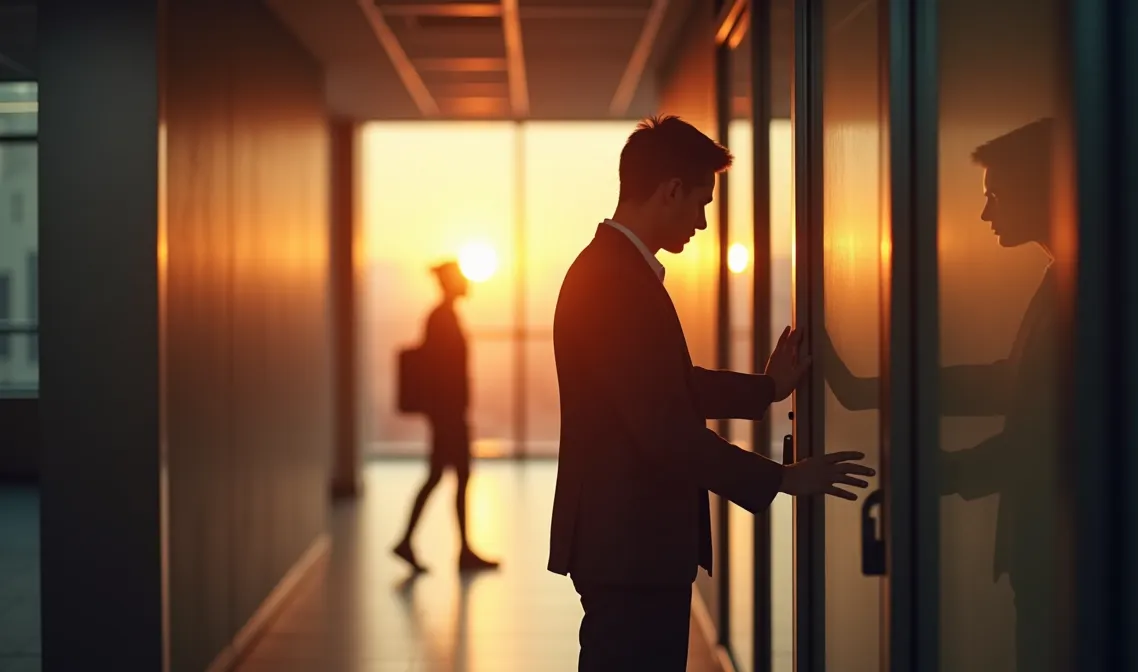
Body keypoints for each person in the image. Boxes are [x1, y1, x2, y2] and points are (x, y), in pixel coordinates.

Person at [549, 115, 876, 671]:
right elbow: (662, 429)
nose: (702, 223)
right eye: (702, 202)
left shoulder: (615, 272)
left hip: (628, 542)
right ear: (671, 190)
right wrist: (784, 478)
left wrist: (768, 389)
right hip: (631, 546)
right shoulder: (613, 281)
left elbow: (664, 389)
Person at [821, 118, 1060, 672]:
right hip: (1046, 554)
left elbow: (1043, 441)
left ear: (1040, 188)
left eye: (996, 194)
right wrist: (870, 390)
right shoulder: (1062, 279)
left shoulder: (1082, 289)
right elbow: (1010, 383)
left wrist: (939, 473)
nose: (985, 213)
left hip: (1064, 554)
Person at [393, 261, 499, 574]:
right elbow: (443, 372)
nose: (467, 283)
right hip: (448, 414)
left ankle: (414, 542)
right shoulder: (443, 318)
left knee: (441, 475)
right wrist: (452, 412)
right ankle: (460, 550)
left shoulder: (442, 317)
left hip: (447, 413)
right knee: (454, 475)